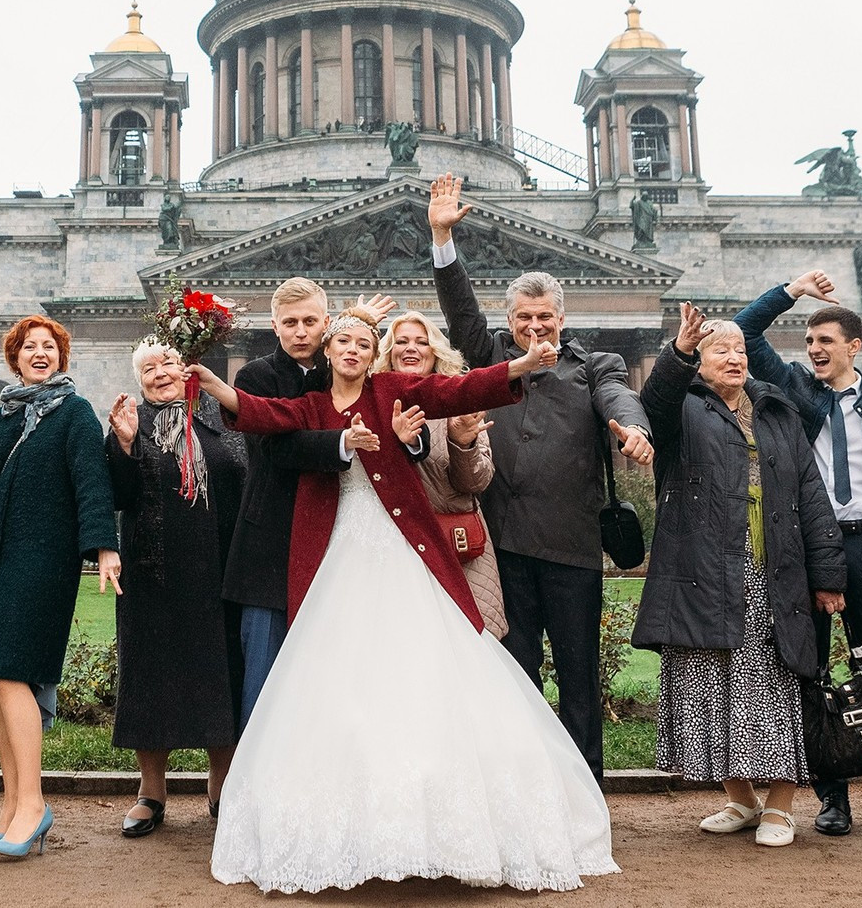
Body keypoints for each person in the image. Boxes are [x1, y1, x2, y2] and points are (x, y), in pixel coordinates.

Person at [190, 308, 614, 894]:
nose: (353, 350)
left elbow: (457, 389)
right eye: (344, 341)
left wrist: (519, 365)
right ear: (330, 351)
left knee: (425, 662)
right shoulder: (311, 404)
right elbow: (265, 414)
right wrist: (215, 386)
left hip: (402, 549)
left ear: (373, 356)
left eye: (364, 344)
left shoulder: (393, 390)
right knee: (335, 677)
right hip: (338, 553)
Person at [428, 173, 652, 778]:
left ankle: (585, 787)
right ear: (510, 320)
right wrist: (443, 239)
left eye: (544, 317)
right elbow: (460, 309)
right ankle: (526, 788)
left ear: (561, 318)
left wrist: (634, 430)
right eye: (524, 318)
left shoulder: (596, 364)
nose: (535, 327)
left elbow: (619, 397)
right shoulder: (489, 357)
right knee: (515, 674)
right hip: (501, 547)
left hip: (570, 546)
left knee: (579, 677)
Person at [632, 303, 847, 849]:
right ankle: (742, 800)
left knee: (774, 687)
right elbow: (652, 402)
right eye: (720, 349)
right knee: (710, 685)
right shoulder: (680, 409)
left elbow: (810, 493)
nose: (734, 357)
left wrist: (827, 573)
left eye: (740, 349)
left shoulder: (777, 410)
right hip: (703, 572)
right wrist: (679, 350)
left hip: (772, 572)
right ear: (699, 362)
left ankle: (780, 807)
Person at [731, 271, 862, 837]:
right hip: (809, 545)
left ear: (853, 346)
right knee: (810, 669)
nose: (814, 349)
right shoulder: (797, 391)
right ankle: (831, 796)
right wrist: (793, 292)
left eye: (825, 341)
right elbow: (744, 330)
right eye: (809, 341)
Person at [0, 315, 121, 859]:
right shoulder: (5, 415)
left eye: (49, 347)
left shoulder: (75, 411)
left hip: (43, 560)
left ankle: (34, 803)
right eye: (29, 347)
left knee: (11, 669)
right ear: (15, 359)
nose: (39, 353)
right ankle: (12, 804)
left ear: (61, 358)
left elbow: (91, 479)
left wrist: (104, 545)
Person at [220, 279, 395, 731]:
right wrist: (342, 441)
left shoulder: (339, 370)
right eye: (291, 323)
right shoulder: (255, 377)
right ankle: (254, 772)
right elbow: (275, 448)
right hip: (271, 548)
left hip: (336, 546)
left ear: (325, 324)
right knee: (264, 679)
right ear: (274, 325)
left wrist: (354, 327)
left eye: (311, 322)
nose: (301, 332)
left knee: (327, 678)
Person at [102, 340, 245, 837]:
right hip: (153, 575)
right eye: (148, 368)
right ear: (139, 379)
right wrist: (123, 445)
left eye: (167, 363)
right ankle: (151, 791)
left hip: (220, 571)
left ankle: (221, 784)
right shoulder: (130, 423)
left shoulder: (220, 416)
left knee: (222, 675)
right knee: (150, 679)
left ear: (187, 368)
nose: (159, 372)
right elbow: (117, 495)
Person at [372, 311, 505, 637]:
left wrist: (462, 442)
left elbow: (476, 483)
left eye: (422, 342)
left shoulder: (460, 401)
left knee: (463, 648)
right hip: (396, 547)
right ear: (388, 352)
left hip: (456, 549)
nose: (411, 348)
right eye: (401, 341)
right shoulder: (370, 403)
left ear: (436, 352)